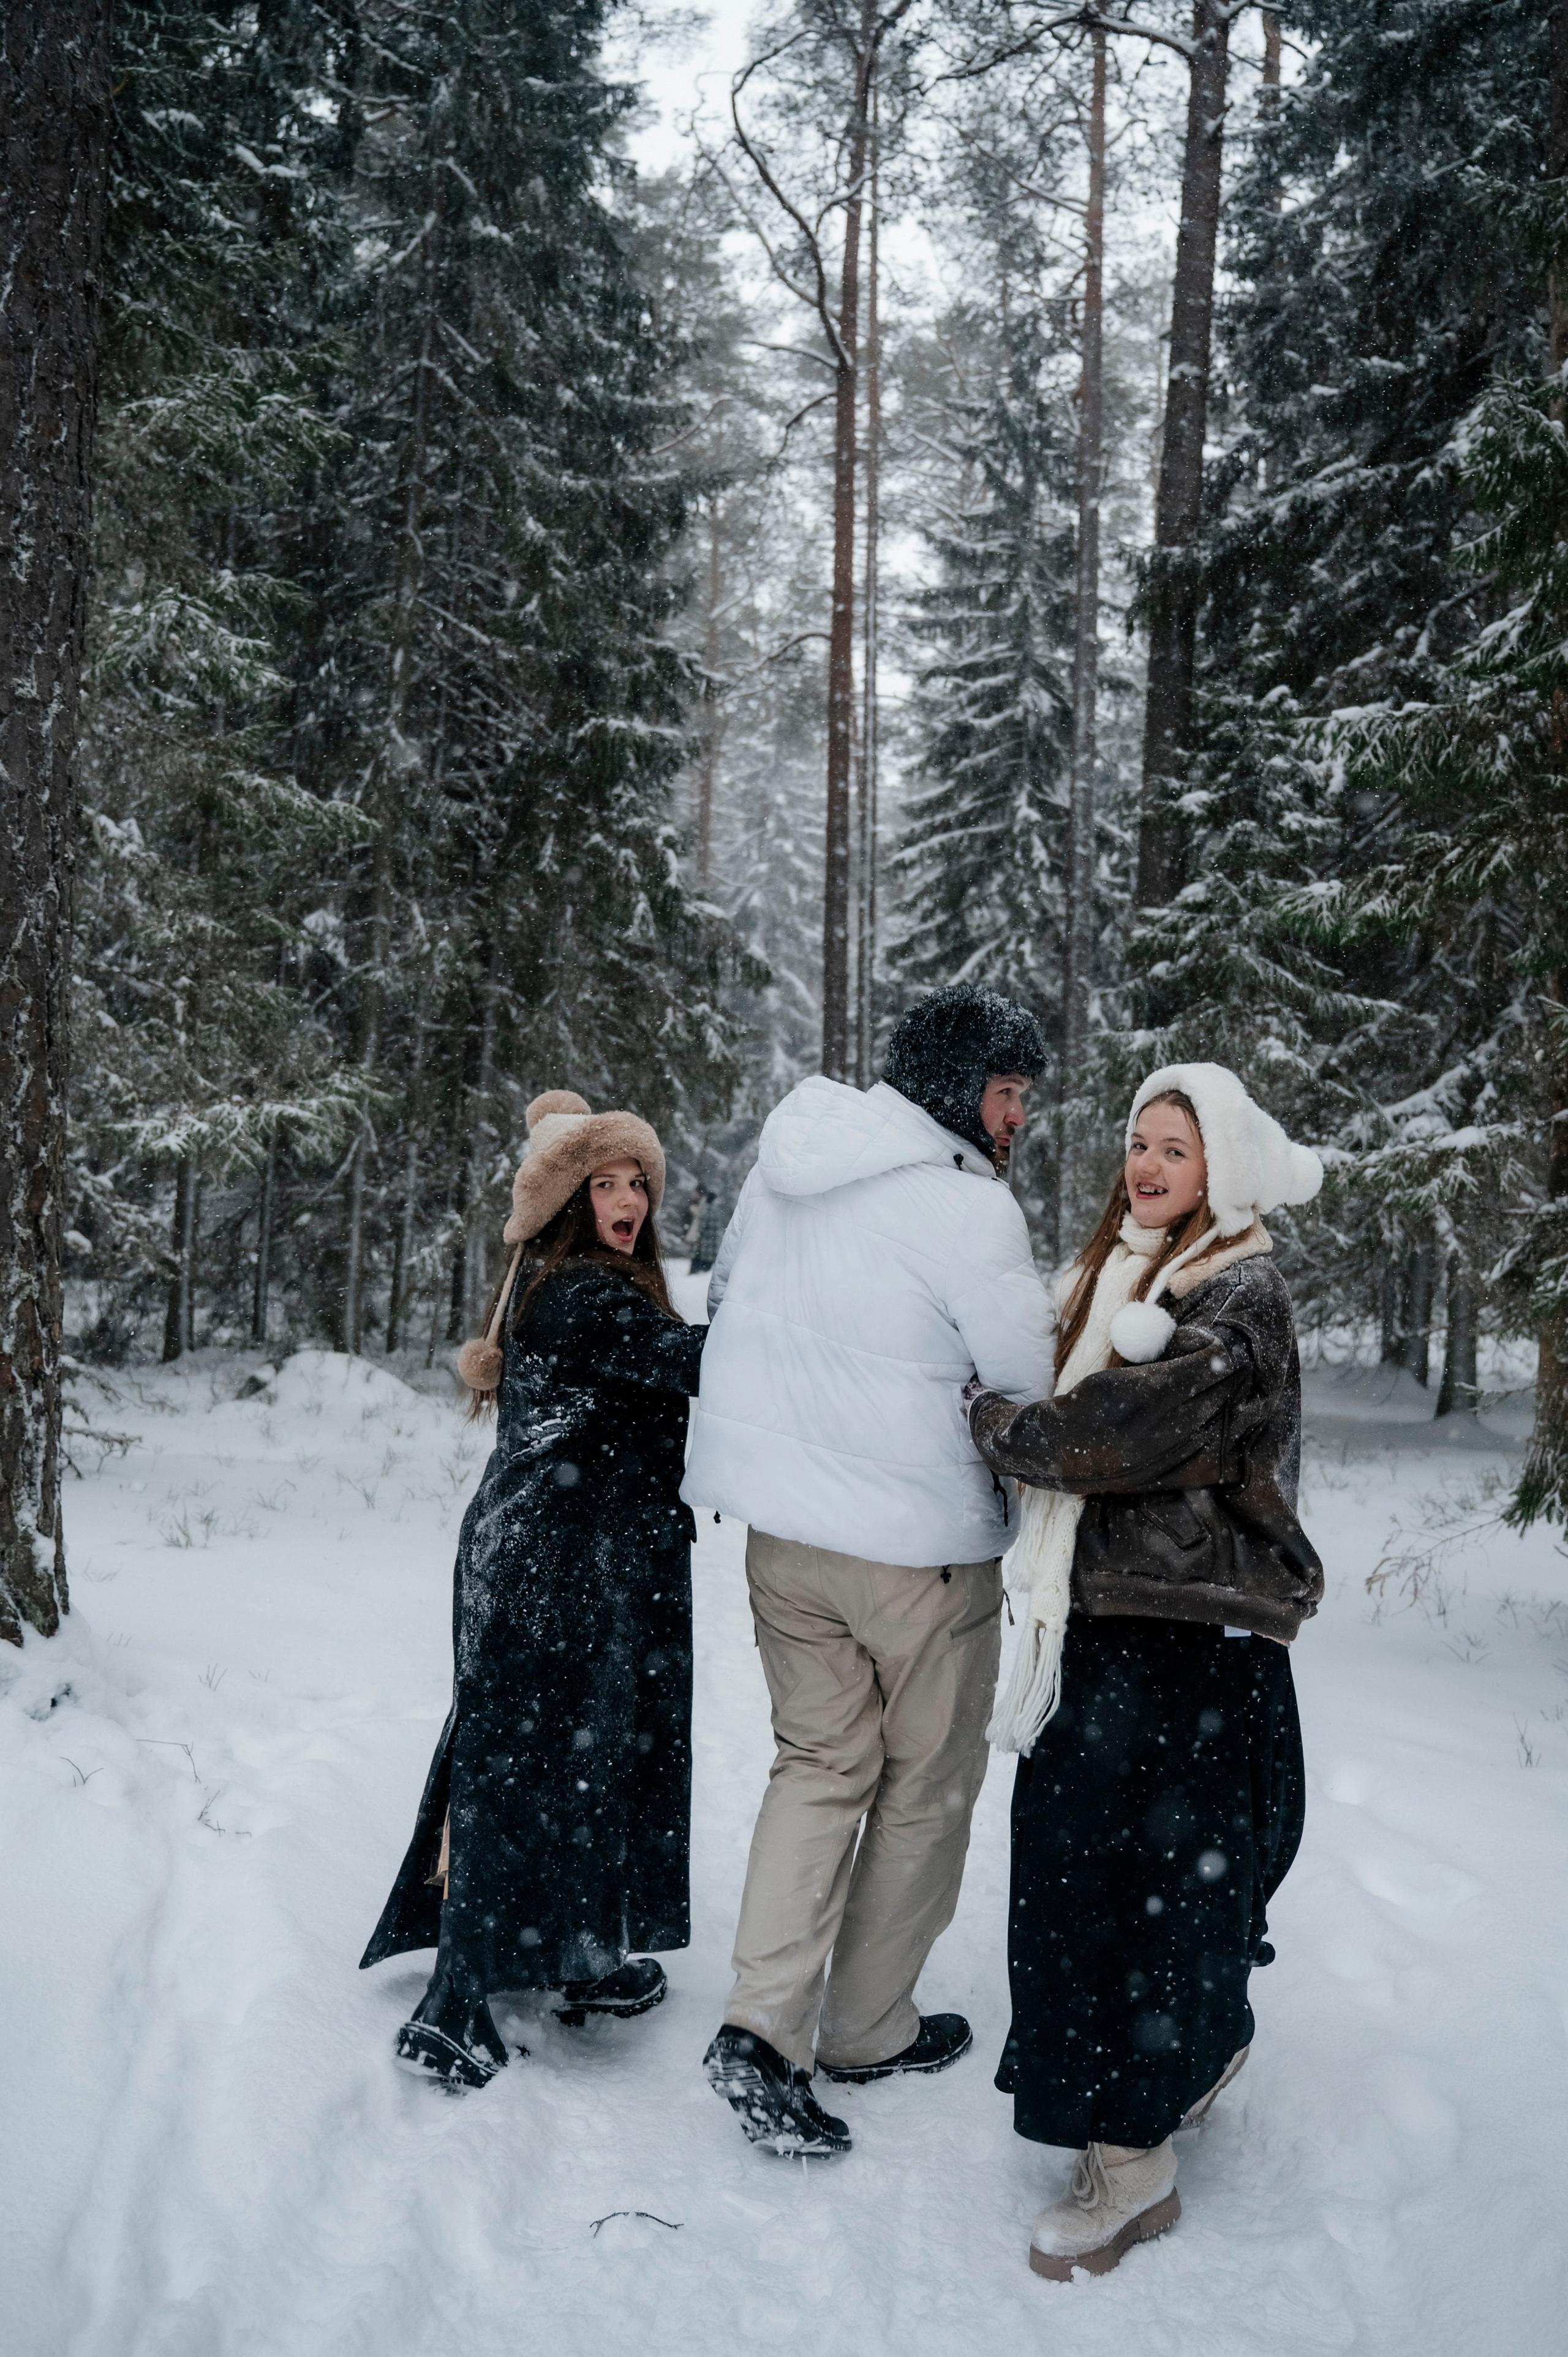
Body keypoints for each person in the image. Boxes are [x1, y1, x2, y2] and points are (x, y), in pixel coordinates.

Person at [682, 983, 1056, 2156]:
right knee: (926, 1788)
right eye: (1008, 1093)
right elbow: (1026, 1383)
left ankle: (759, 2026)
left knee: (815, 1768)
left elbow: (728, 1298)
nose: (1018, 1120)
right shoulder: (969, 1210)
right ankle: (864, 2029)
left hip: (783, 1544)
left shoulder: (788, 1164)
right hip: (918, 1559)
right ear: (959, 1088)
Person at [965, 1062, 1324, 2277]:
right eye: (1137, 1139)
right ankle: (1178, 2059)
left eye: (1175, 1145)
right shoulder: (1126, 1274)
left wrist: (997, 1424)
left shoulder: (1241, 1292)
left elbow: (1120, 1428)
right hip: (1107, 1624)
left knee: (1126, 1900)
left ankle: (1129, 2164)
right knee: (1100, 1883)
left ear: (1217, 1165)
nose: (1146, 1162)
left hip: (1179, 1637)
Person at [361, 1090, 706, 2088]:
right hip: (547, 1567)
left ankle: (577, 1955)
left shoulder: (593, 1285)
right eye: (606, 1182)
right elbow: (701, 1366)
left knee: (581, 1764)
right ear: (567, 1202)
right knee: (520, 1773)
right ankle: (454, 2009)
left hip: (573, 1561)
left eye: (639, 1180)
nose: (629, 1198)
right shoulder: (582, 1295)